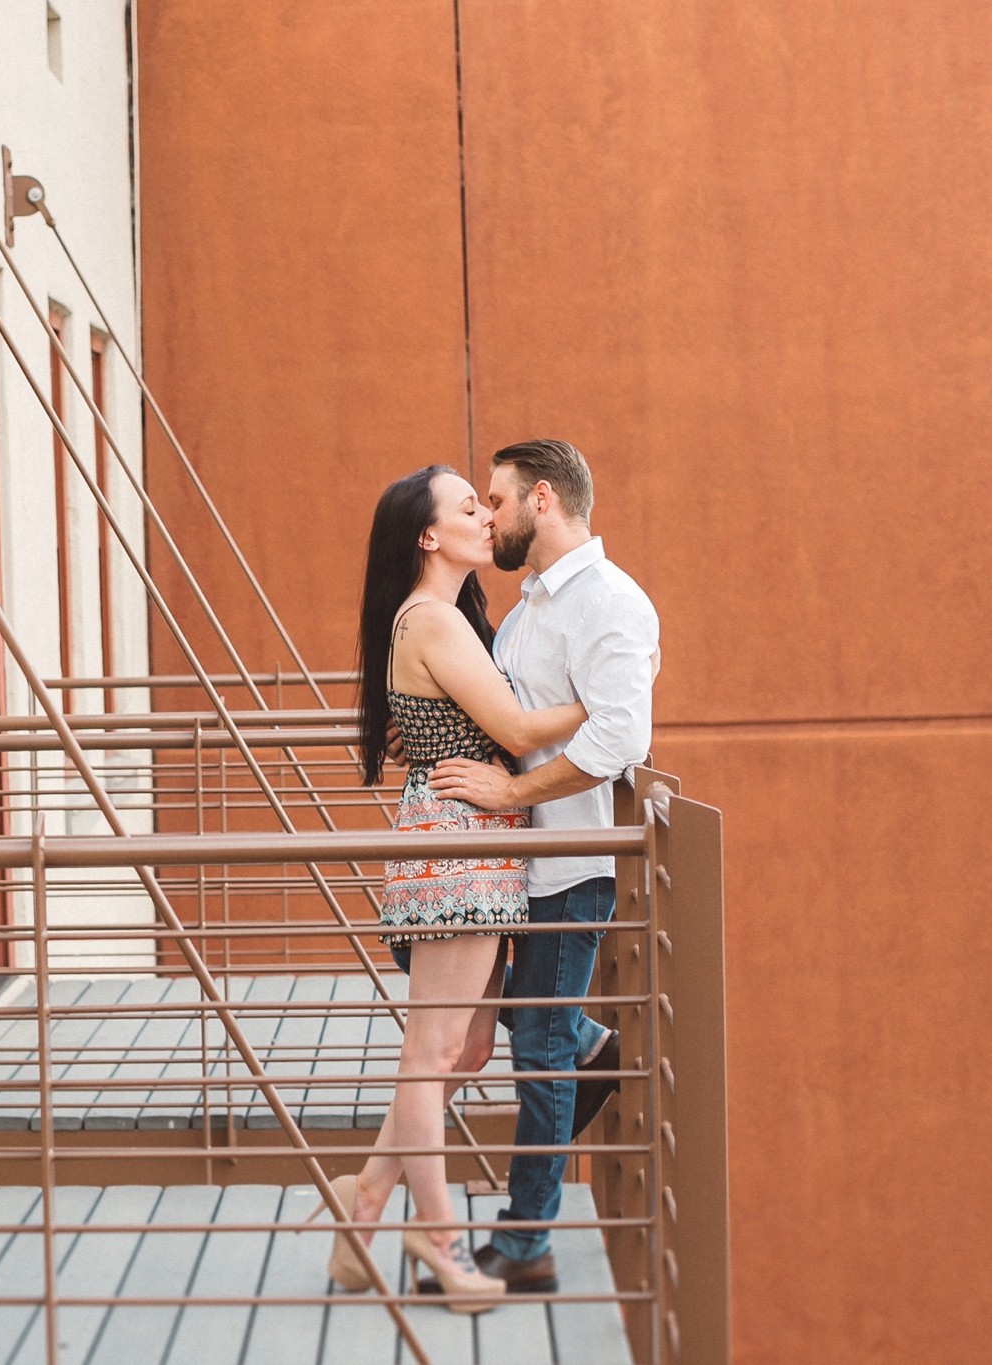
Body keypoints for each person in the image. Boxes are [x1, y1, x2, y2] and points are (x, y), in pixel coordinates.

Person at [328, 464, 589, 1314]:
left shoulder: (438, 617)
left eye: (488, 503)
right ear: (429, 537)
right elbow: (513, 729)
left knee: (467, 1049)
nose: (488, 516)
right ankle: (436, 1238)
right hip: (459, 852)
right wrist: (601, 703)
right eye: (469, 508)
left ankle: (365, 1201)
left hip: (469, 848)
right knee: (431, 1054)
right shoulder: (432, 619)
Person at [426, 438, 660, 1295]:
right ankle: (589, 1045)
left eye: (497, 498)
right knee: (531, 1031)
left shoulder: (610, 604)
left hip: (567, 865)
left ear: (544, 500)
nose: (487, 514)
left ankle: (524, 1245)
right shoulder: (529, 607)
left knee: (538, 1054)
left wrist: (512, 787)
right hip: (512, 867)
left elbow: (619, 738)